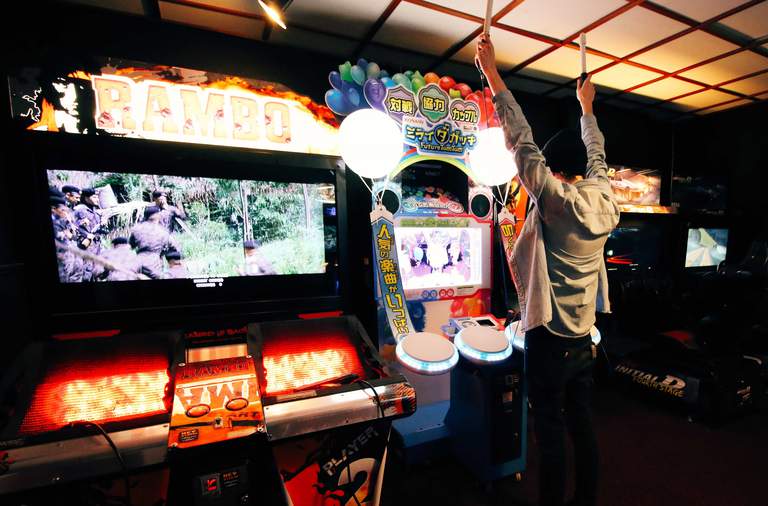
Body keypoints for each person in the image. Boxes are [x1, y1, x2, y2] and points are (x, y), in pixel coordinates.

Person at [476, 35, 620, 506]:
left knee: (551, 434)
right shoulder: (606, 199)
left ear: (561, 174)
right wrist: (586, 107)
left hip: (550, 340)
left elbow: (522, 143)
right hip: (583, 340)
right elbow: (596, 152)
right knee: (582, 427)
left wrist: (493, 75)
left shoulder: (558, 203)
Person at [129, 206, 179, 279]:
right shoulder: (162, 231)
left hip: (138, 263)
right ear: (157, 215)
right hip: (154, 264)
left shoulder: (136, 229)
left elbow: (130, 246)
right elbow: (174, 248)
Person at [73, 187, 107, 281]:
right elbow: (72, 226)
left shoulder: (94, 210)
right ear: (86, 198)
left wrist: (102, 223)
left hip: (97, 246)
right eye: (94, 197)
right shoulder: (79, 209)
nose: (97, 199)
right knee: (87, 273)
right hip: (86, 246)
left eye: (97, 197)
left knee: (99, 270)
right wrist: (86, 234)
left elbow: (95, 226)